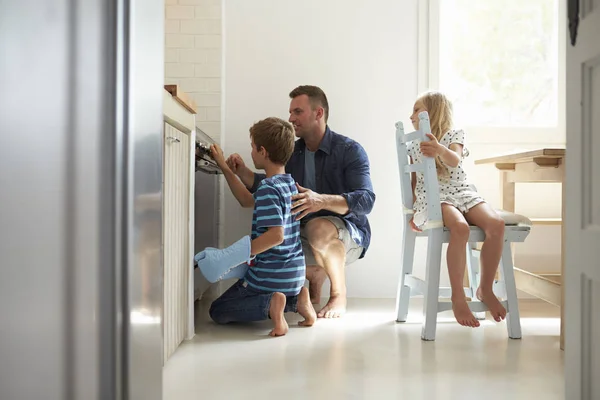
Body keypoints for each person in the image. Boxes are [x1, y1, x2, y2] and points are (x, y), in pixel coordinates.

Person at [226, 85, 375, 318]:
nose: (290, 118)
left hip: (349, 236)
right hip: (305, 236)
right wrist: (242, 171)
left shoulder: (349, 150)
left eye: (297, 112)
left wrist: (321, 200)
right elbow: (269, 187)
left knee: (318, 227)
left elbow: (366, 201)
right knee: (277, 232)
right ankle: (313, 276)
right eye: (290, 112)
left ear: (319, 113)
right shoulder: (294, 152)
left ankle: (338, 296)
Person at [206, 117, 316, 337]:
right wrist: (229, 170)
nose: (251, 153)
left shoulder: (267, 188)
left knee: (217, 310)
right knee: (262, 287)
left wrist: (237, 256)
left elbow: (276, 236)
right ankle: (297, 301)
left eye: (253, 148)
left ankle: (272, 305)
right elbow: (247, 200)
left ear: (263, 151)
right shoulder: (289, 184)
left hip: (269, 277)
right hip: (293, 276)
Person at [408, 91, 507, 328]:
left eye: (417, 110)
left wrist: (439, 149)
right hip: (434, 198)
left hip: (462, 192)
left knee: (496, 225)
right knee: (459, 228)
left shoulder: (454, 135)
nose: (412, 115)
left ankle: (484, 288)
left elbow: (455, 160)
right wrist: (413, 210)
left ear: (434, 111)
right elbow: (414, 180)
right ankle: (458, 296)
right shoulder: (414, 144)